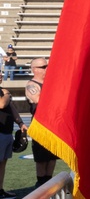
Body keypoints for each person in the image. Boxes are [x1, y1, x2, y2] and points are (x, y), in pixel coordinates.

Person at [25, 57, 59, 188]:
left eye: (47, 66)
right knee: (42, 158)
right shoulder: (31, 85)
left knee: (52, 158)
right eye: (43, 67)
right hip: (41, 127)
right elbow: (40, 100)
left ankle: (48, 182)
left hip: (53, 125)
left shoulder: (50, 83)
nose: (47, 69)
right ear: (34, 69)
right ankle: (41, 184)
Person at [0, 80, 28, 199]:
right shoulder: (5, 93)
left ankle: (0, 190)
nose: (0, 76)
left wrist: (20, 122)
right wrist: (7, 94)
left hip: (6, 132)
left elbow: (11, 108)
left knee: (2, 164)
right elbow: (2, 104)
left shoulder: (3, 91)